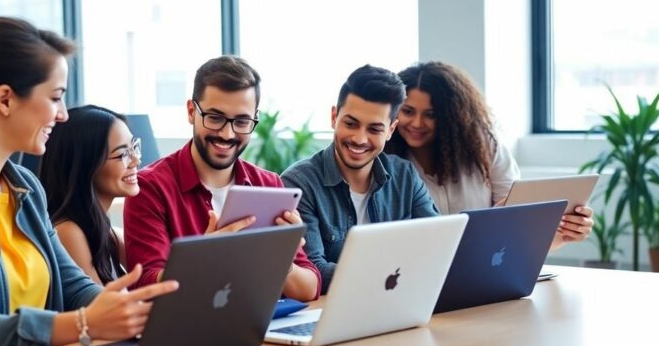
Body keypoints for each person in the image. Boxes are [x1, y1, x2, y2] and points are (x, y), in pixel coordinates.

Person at [0, 18, 176, 346]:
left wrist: (132, 314)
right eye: (55, 98)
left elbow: (73, 287)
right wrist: (84, 324)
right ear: (5, 99)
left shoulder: (24, 186)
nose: (64, 114)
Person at [123, 56, 321, 301]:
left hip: (262, 329)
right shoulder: (151, 187)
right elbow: (145, 287)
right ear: (190, 111)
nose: (227, 134)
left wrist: (279, 259)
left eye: (241, 122)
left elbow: (308, 289)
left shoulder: (268, 185)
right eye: (215, 118)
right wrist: (204, 258)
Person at [383, 61, 593, 249]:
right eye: (408, 111)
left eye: (430, 115)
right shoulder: (385, 161)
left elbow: (519, 233)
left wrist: (566, 232)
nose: (417, 123)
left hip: (484, 267)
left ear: (451, 116)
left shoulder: (483, 147)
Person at [281, 65, 440, 294]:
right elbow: (314, 270)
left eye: (374, 129)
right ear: (334, 117)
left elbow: (437, 248)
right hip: (333, 312)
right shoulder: (299, 183)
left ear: (391, 130)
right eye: (351, 124)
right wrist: (385, 276)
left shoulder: (405, 176)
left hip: (398, 302)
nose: (359, 138)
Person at [39, 105, 141, 285]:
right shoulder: (69, 232)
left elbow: (152, 268)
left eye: (134, 147)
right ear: (86, 166)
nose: (135, 160)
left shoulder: (102, 228)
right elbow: (103, 309)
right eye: (122, 154)